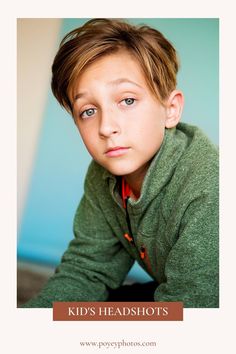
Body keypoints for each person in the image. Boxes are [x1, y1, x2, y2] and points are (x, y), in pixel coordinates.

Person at [22, 18, 218, 308]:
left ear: (171, 109)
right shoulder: (103, 176)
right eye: (88, 111)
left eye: (127, 101)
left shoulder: (210, 184)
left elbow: (193, 309)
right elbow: (88, 270)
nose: (106, 127)